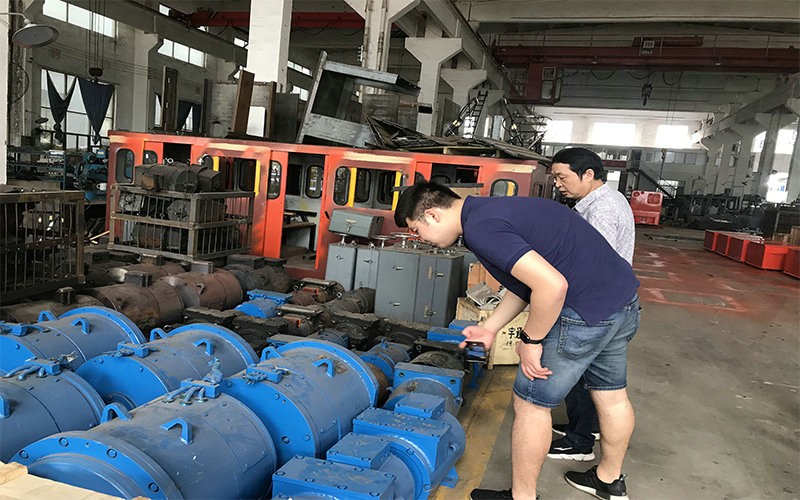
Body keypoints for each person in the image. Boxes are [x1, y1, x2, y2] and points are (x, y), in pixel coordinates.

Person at [394, 181, 640, 500]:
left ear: (432, 214)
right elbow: (525, 284)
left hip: (583, 311)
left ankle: (522, 497)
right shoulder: (494, 210)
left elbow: (552, 287)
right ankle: (609, 480)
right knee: (611, 395)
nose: (421, 240)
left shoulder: (481, 228)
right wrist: (490, 328)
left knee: (531, 405)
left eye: (417, 230)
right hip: (621, 302)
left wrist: (531, 340)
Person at [548, 147, 636, 463]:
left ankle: (580, 441)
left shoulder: (602, 210)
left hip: (595, 306)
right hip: (614, 302)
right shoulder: (605, 200)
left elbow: (591, 262)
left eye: (562, 177)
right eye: (555, 178)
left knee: (576, 373)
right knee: (598, 379)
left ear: (588, 174)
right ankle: (586, 427)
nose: (557, 184)